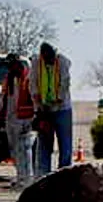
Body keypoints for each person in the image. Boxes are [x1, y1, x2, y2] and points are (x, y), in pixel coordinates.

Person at [0, 53, 36, 188]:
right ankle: (20, 177)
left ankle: (28, 178)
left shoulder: (28, 78)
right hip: (11, 119)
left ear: (17, 64)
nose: (9, 68)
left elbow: (35, 98)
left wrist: (36, 116)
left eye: (10, 65)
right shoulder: (9, 79)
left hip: (26, 118)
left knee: (25, 149)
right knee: (14, 150)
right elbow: (2, 97)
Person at [30, 42, 72, 175]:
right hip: (43, 109)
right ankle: (42, 176)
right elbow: (33, 86)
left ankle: (64, 174)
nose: (49, 60)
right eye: (46, 58)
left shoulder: (63, 62)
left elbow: (64, 85)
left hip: (62, 109)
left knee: (65, 144)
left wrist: (55, 103)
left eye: (51, 58)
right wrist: (39, 109)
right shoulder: (36, 63)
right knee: (44, 145)